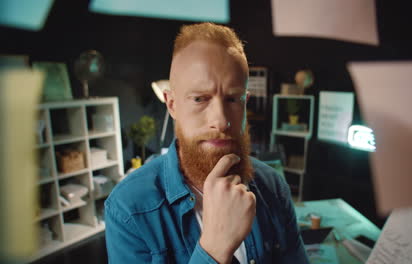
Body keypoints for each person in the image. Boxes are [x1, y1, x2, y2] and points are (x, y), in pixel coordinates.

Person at [105, 22, 309, 264]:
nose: (221, 121)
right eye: (200, 99)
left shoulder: (273, 187)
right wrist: (214, 248)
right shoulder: (129, 208)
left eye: (233, 99)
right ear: (172, 104)